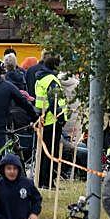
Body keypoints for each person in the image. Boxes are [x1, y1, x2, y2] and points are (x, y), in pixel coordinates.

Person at [34, 56, 67, 188]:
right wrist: (60, 118)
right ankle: (48, 182)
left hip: (42, 119)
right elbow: (53, 101)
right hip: (51, 120)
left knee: (43, 152)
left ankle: (42, 180)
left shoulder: (40, 79)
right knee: (50, 153)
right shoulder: (52, 80)